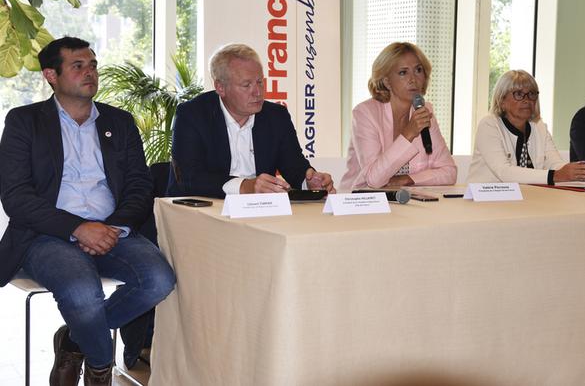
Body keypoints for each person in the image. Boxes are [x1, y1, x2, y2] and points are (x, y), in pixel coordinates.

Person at [0, 37, 175, 386]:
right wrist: (79, 228)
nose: (90, 72)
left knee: (159, 281)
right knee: (82, 292)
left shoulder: (119, 122)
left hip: (114, 230)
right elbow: (16, 196)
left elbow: (140, 184)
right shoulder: (25, 121)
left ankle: (75, 340)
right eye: (78, 66)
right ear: (51, 75)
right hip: (46, 235)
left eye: (92, 64)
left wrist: (115, 227)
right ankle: (99, 369)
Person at [168, 43, 334, 197]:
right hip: (201, 213)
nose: (257, 92)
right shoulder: (192, 115)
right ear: (220, 87)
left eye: (260, 82)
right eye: (246, 85)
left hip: (260, 212)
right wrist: (244, 186)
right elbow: (189, 178)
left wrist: (309, 182)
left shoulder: (276, 116)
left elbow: (293, 165)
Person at [340, 41, 456, 191]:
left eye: (418, 70)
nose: (413, 79)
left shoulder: (424, 111)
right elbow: (374, 179)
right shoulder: (365, 113)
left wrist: (408, 179)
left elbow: (449, 171)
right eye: (403, 72)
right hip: (361, 204)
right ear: (387, 82)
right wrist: (409, 133)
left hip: (405, 202)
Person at [467, 70, 585, 184]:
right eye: (518, 94)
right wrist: (556, 175)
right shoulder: (489, 125)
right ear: (502, 100)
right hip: (486, 201)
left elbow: (554, 163)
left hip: (527, 199)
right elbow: (504, 172)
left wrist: (575, 172)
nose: (526, 100)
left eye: (531, 94)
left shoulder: (539, 127)